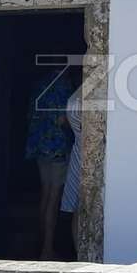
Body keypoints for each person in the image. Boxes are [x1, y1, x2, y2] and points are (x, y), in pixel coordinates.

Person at [24, 68, 74, 260]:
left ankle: (41, 243)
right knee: (54, 197)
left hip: (38, 145)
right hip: (57, 146)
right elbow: (63, 119)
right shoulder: (63, 85)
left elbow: (30, 115)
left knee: (45, 194)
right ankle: (47, 249)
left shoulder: (40, 83)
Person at [59, 84, 83, 254]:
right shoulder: (84, 94)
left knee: (78, 208)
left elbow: (63, 121)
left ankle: (80, 255)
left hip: (79, 150)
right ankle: (81, 255)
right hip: (83, 151)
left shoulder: (76, 95)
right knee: (80, 209)